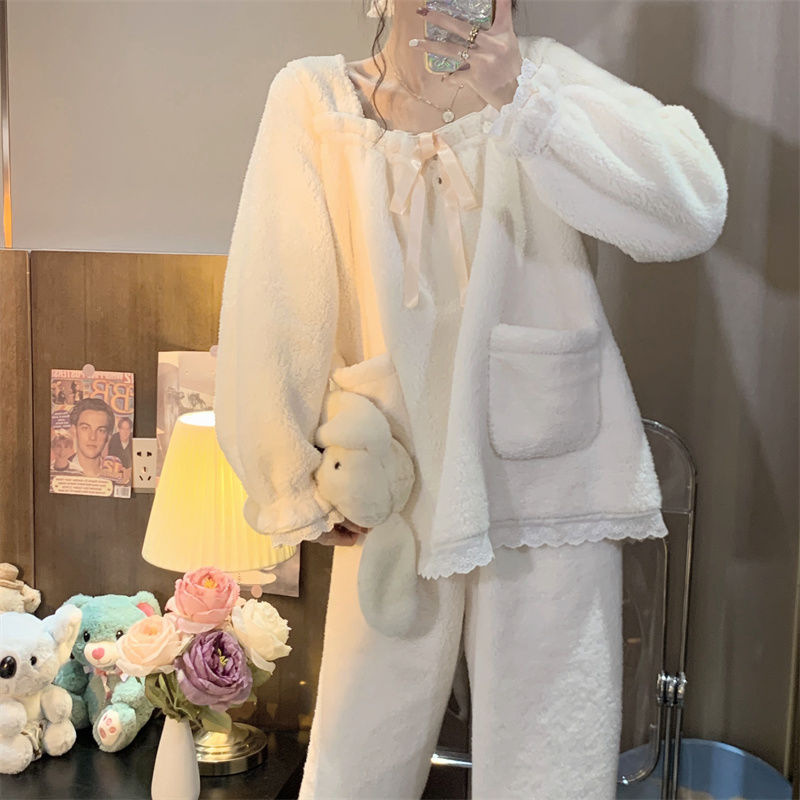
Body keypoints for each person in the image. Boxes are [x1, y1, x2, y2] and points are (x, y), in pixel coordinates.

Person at [214, 1, 728, 797]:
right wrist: (288, 480)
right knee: (355, 763)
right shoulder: (315, 101)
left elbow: (691, 207)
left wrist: (524, 99)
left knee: (552, 771)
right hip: (390, 481)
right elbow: (275, 293)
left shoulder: (538, 78)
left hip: (546, 478)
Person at [65, 397, 115, 477]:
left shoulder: (116, 476)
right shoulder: (57, 473)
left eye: (101, 430)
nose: (92, 437)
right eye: (85, 428)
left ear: (108, 436)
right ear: (74, 430)